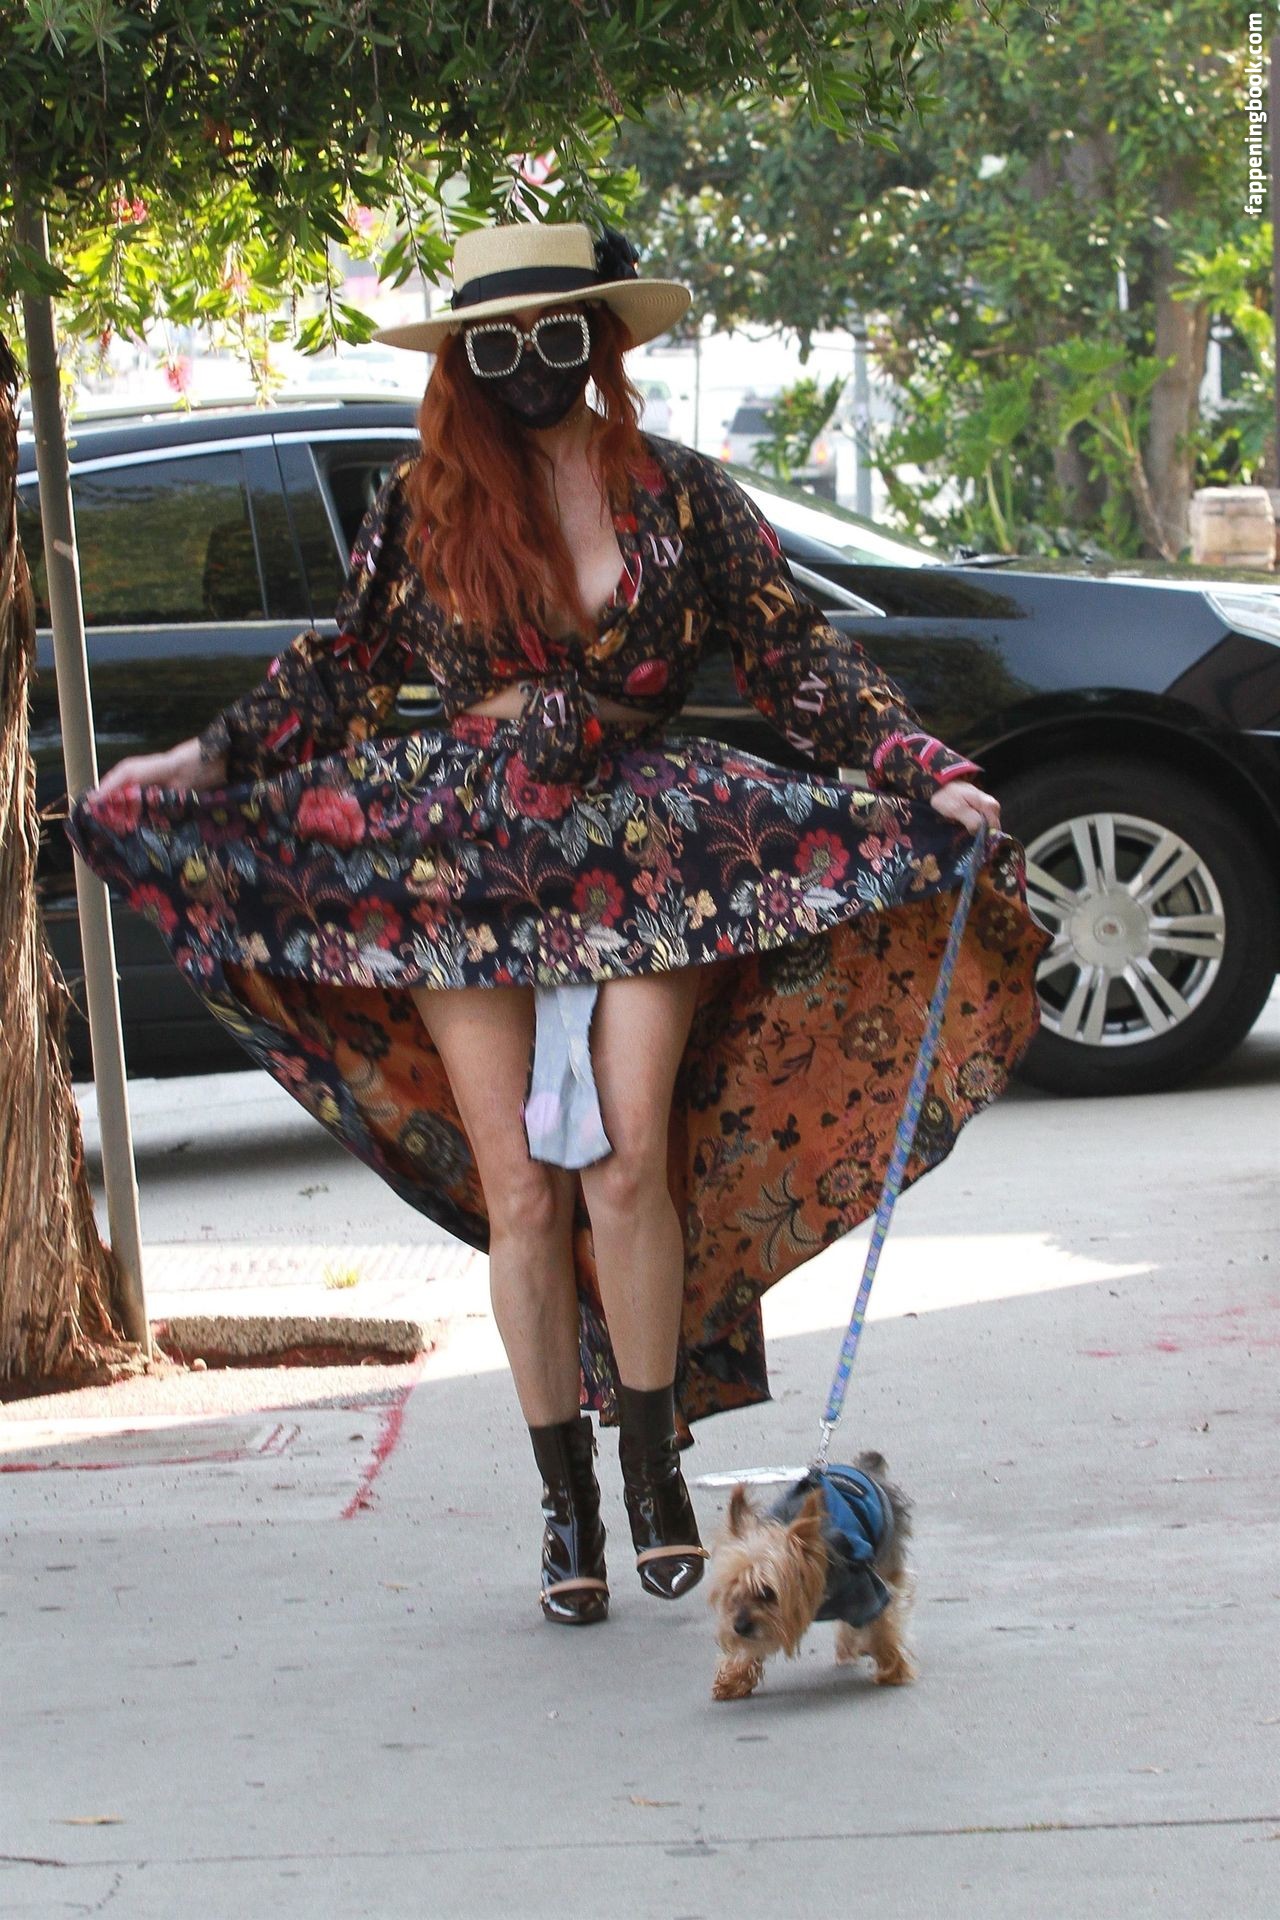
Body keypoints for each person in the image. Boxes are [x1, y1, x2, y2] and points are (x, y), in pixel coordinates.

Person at [70, 221, 1049, 1629]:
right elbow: (342, 672)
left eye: (557, 336)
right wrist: (199, 761)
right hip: (461, 853)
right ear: (464, 360)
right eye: (497, 344)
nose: (529, 365)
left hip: (645, 846)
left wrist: (923, 768)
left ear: (603, 343)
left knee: (629, 1160)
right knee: (520, 1189)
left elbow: (793, 656)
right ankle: (563, 1502)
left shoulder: (684, 495)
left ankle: (652, 1471)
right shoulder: (424, 505)